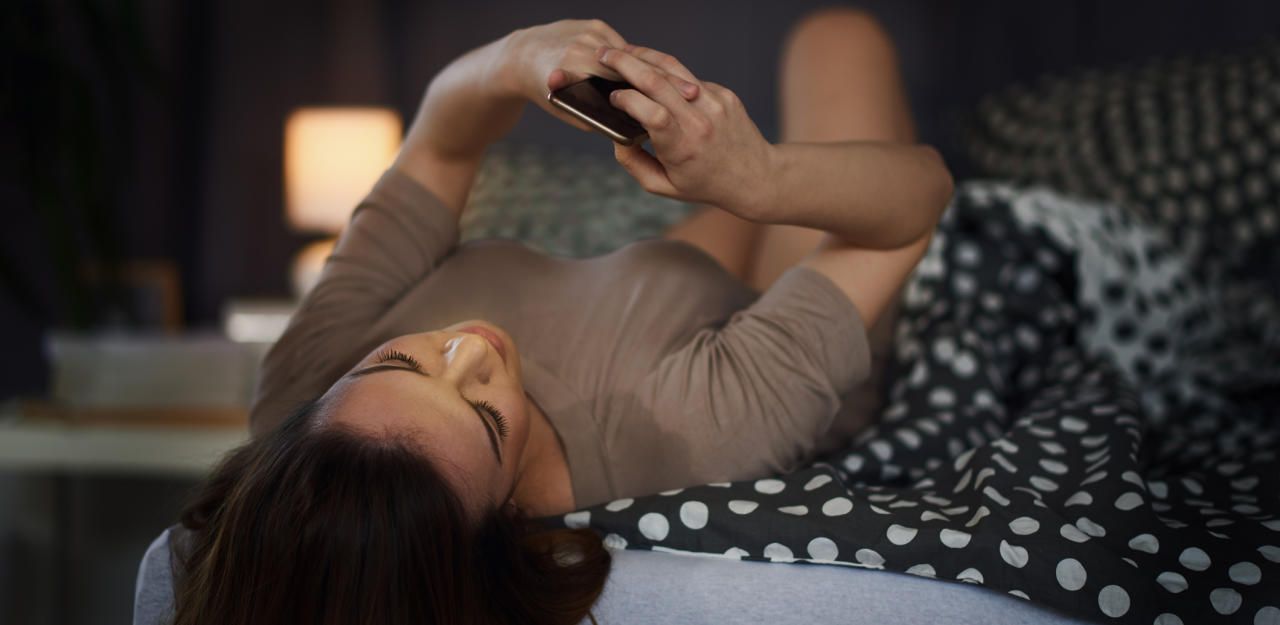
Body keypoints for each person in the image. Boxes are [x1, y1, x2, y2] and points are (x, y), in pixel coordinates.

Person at [172, 9, 953, 625]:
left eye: (398, 361)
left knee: (689, 188)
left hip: (671, 285)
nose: (469, 349)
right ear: (507, 516)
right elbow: (918, 202)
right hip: (751, 330)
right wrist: (762, 178)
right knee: (838, 37)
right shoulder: (687, 428)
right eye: (482, 413)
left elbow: (442, 142)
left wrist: (513, 61)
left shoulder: (301, 394)